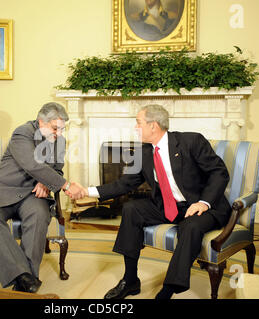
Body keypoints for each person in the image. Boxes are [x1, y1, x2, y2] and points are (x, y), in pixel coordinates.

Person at [83, 104, 231, 299]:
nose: (135, 128)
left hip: (203, 206)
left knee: (191, 227)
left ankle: (168, 289)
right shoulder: (143, 152)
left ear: (153, 125)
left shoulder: (191, 141)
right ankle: (130, 280)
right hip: (170, 206)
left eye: (138, 123)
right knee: (131, 209)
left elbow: (219, 173)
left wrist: (203, 202)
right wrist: (87, 191)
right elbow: (124, 184)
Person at [0, 102, 85, 293]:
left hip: (32, 194)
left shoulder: (59, 142)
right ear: (40, 122)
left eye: (62, 129)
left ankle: (24, 284)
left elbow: (57, 170)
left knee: (39, 215)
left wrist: (45, 182)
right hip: (3, 190)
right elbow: (33, 165)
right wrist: (67, 185)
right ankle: (24, 277)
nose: (59, 134)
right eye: (55, 128)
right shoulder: (23, 133)